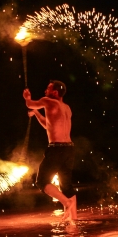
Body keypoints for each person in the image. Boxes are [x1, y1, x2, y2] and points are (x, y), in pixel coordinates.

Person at [23, 80, 77, 223]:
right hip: (69, 149)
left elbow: (30, 104)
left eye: (48, 89)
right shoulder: (66, 108)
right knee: (67, 185)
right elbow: (49, 125)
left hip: (56, 148)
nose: (45, 91)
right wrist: (36, 113)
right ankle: (74, 219)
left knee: (41, 181)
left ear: (54, 92)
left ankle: (66, 203)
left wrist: (27, 97)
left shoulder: (47, 101)